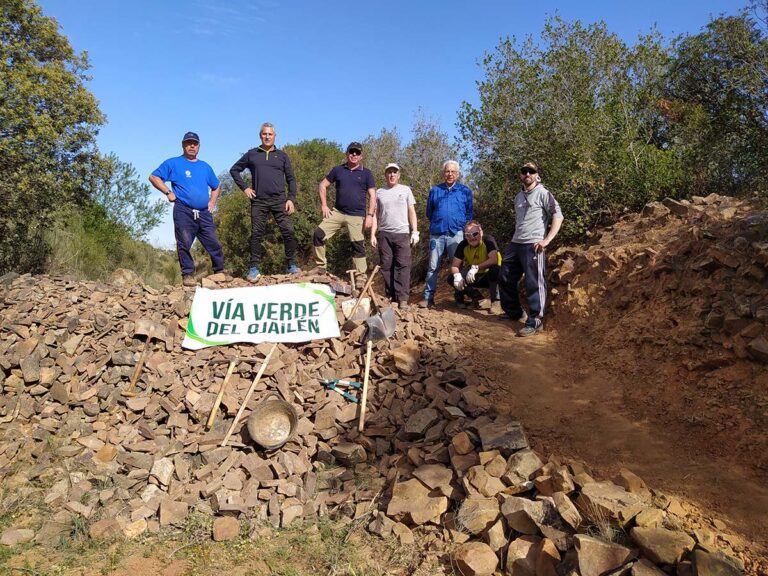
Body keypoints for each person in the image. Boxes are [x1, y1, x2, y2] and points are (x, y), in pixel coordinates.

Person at [149, 131, 224, 287]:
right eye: (188, 143)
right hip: (183, 210)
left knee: (214, 243)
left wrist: (212, 202)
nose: (192, 146)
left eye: (195, 143)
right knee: (184, 243)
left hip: (204, 212)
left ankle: (219, 272)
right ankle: (188, 275)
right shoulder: (174, 163)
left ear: (199, 146)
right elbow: (154, 177)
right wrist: (168, 192)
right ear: (183, 145)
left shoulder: (205, 167)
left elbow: (216, 186)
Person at [499, 162, 564, 337]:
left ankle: (535, 322)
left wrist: (546, 240)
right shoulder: (518, 197)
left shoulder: (543, 194)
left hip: (533, 244)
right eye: (524, 171)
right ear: (520, 175)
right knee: (504, 276)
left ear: (537, 175)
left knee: (534, 283)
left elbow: (558, 215)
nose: (527, 174)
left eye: (531, 171)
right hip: (516, 243)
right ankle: (514, 312)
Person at [229, 122, 300, 280]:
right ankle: (254, 268)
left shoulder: (282, 156)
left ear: (275, 136)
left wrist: (291, 199)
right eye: (264, 134)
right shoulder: (252, 154)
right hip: (259, 201)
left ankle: (292, 265)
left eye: (270, 134)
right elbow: (234, 170)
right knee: (256, 234)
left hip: (279, 200)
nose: (267, 136)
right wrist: (245, 188)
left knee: (288, 231)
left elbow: (291, 179)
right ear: (260, 136)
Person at [313, 142, 376, 277]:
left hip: (357, 216)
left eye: (357, 152)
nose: (354, 154)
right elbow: (323, 185)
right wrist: (324, 205)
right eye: (351, 151)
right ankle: (321, 267)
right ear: (347, 153)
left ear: (361, 156)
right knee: (318, 234)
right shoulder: (338, 170)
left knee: (357, 245)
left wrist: (370, 215)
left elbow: (373, 195)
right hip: (338, 212)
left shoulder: (366, 173)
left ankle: (361, 276)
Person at [420, 160, 473, 308]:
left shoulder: (465, 191)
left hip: (456, 233)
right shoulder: (435, 190)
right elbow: (429, 212)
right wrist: (439, 221)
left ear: (457, 173)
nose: (450, 174)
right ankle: (428, 298)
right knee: (432, 267)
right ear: (443, 173)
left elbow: (469, 213)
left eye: (453, 171)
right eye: (447, 171)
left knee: (458, 266)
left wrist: (460, 226)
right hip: (437, 234)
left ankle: (459, 297)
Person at [370, 163, 419, 310]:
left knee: (403, 265)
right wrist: (372, 234)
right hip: (384, 234)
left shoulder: (406, 190)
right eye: (389, 172)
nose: (392, 175)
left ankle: (403, 298)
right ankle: (391, 296)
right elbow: (375, 215)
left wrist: (415, 231)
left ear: (398, 175)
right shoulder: (379, 192)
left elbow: (411, 211)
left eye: (394, 172)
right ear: (385, 175)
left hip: (402, 234)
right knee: (386, 266)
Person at [447, 220, 501, 314]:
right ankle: (477, 298)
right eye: (468, 235)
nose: (472, 237)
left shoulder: (488, 240)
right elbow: (455, 266)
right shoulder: (463, 244)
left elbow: (494, 260)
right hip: (475, 276)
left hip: (493, 276)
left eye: (475, 234)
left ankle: (496, 302)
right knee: (451, 277)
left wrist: (476, 267)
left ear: (481, 232)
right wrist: (457, 276)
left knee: (495, 269)